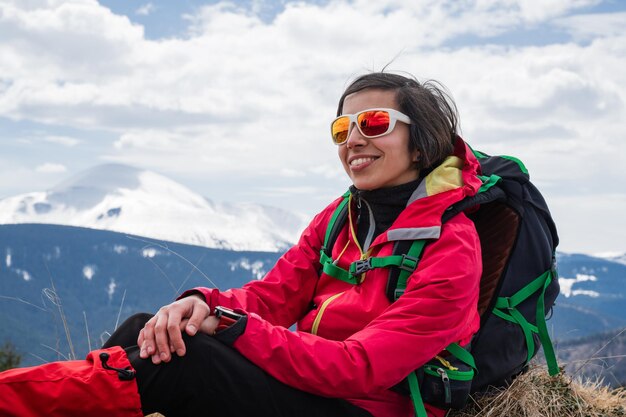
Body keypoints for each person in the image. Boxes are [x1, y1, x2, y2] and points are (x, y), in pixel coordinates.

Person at [0, 72, 483, 417]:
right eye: (343, 128)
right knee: (147, 330)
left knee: (184, 365)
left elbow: (359, 367)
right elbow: (273, 299)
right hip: (312, 390)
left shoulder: (451, 249)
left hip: (370, 405)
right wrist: (200, 303)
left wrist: (229, 327)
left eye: (374, 123)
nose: (353, 139)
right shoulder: (343, 218)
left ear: (421, 144)